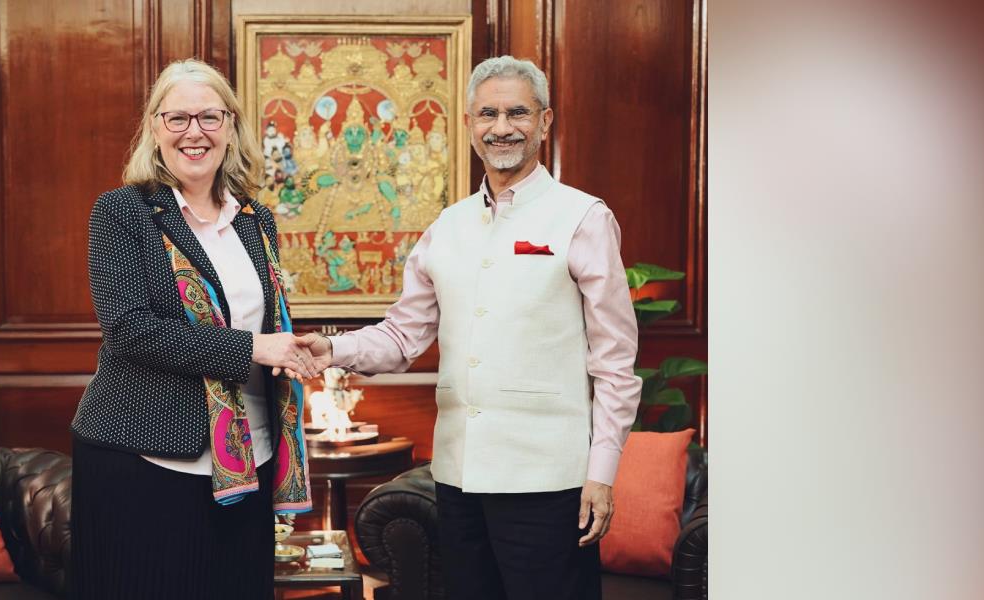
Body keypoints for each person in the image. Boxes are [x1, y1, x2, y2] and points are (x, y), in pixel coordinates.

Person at [302, 56, 643, 600]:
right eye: (488, 113)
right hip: (459, 479)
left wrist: (600, 475)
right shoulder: (448, 226)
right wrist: (330, 349)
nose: (502, 127)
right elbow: (401, 337)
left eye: (517, 113)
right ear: (468, 125)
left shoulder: (583, 218)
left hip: (549, 482)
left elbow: (615, 364)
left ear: (545, 121)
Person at [70, 58, 320, 600]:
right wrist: (256, 346)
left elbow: (269, 326)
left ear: (230, 126)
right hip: (145, 460)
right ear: (155, 128)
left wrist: (293, 351)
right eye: (177, 118)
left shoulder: (257, 219)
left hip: (249, 459)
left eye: (208, 117)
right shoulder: (121, 213)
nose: (194, 132)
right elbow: (130, 331)